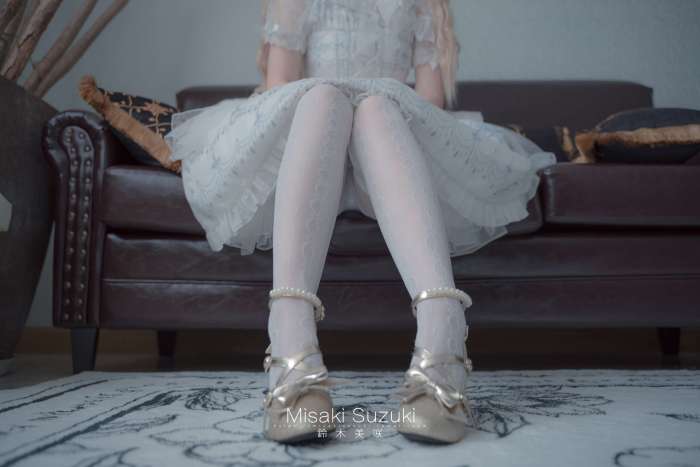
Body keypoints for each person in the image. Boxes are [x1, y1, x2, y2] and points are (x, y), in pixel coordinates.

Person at [164, 0, 557, 445]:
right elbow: (279, 85)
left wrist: (371, 102)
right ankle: (291, 340)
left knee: (376, 108)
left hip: (387, 150)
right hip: (312, 145)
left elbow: (429, 100)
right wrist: (339, 104)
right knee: (323, 97)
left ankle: (443, 332)